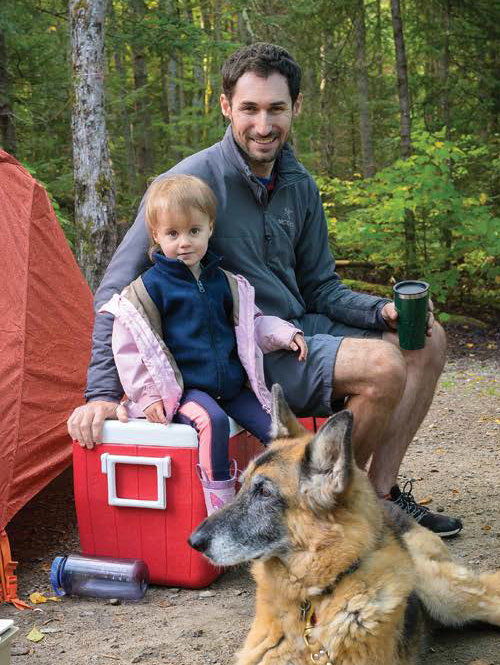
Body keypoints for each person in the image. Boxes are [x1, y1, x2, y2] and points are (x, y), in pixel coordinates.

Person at [68, 41, 462, 538]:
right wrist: (102, 392)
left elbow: (321, 287)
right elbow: (117, 290)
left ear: (295, 106)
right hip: (243, 349)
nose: (263, 124)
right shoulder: (187, 183)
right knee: (383, 368)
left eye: (276, 108)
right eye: (250, 108)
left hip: (297, 329)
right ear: (226, 105)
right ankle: (322, 511)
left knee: (426, 340)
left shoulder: (299, 183)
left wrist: (379, 310)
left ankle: (379, 496)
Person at [101, 173, 306, 514]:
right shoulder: (148, 290)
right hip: (185, 392)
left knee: (276, 426)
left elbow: (251, 323)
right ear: (156, 236)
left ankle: (295, 497)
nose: (184, 243)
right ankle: (222, 508)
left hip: (230, 385)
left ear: (210, 228)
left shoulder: (224, 282)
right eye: (172, 234)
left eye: (194, 231)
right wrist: (148, 395)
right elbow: (130, 348)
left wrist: (286, 334)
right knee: (213, 421)